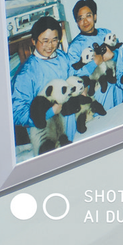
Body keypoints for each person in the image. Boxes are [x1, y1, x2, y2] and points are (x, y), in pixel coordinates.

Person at [11, 16, 77, 154]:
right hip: (46, 134)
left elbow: (72, 77)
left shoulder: (62, 57)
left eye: (54, 40)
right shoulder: (27, 73)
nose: (50, 45)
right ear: (34, 41)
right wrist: (50, 112)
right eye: (45, 41)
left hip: (71, 125)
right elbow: (17, 113)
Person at [67, 0, 123, 111]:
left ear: (95, 17)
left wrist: (113, 55)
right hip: (98, 95)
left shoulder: (105, 33)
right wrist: (94, 63)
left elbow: (121, 53)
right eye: (80, 18)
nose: (85, 21)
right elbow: (73, 76)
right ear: (77, 23)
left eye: (88, 16)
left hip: (118, 90)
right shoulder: (74, 47)